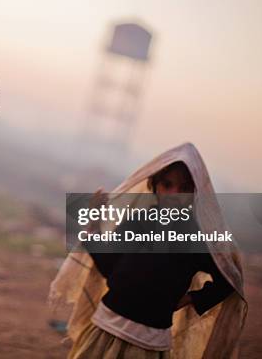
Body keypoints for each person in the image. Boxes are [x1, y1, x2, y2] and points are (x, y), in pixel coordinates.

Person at [50, 143, 247, 359]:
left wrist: (190, 299)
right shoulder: (139, 221)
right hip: (107, 326)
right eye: (167, 185)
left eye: (185, 187)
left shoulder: (197, 237)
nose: (175, 194)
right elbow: (111, 266)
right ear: (154, 186)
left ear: (196, 191)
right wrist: (94, 224)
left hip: (149, 342)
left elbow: (228, 281)